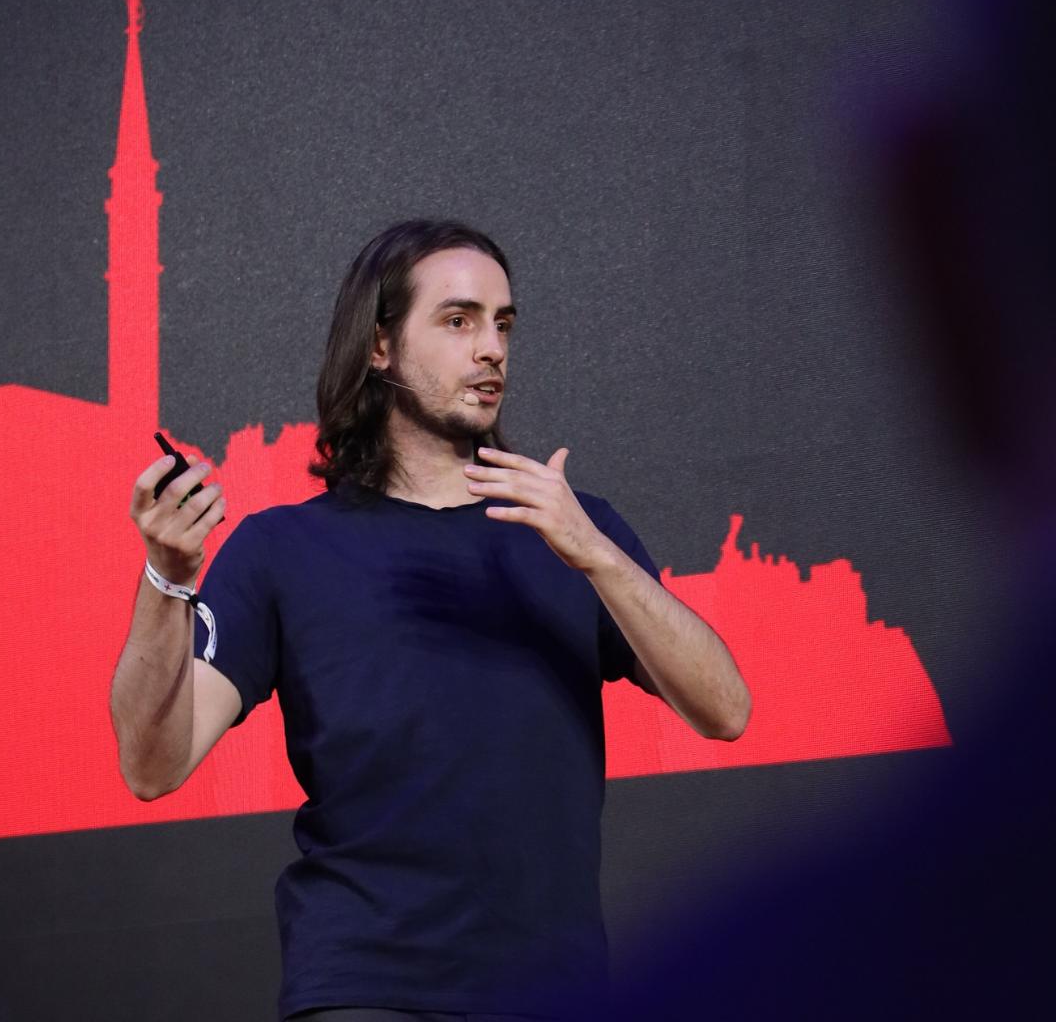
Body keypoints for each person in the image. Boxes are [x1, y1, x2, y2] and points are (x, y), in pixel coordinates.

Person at [111, 220, 751, 1022]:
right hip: (365, 987)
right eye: (458, 321)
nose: (492, 349)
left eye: (502, 323)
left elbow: (726, 710)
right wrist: (165, 579)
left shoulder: (572, 530)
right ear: (380, 347)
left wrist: (596, 554)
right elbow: (152, 765)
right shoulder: (282, 549)